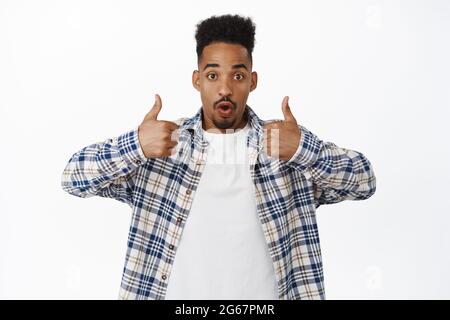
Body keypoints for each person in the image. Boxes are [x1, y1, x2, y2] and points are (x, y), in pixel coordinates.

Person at [61, 14, 376, 300]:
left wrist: (305, 150)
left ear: (252, 81)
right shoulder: (163, 146)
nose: (225, 89)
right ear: (197, 80)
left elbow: (364, 181)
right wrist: (135, 146)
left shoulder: (284, 145)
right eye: (213, 76)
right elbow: (73, 178)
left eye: (237, 77)